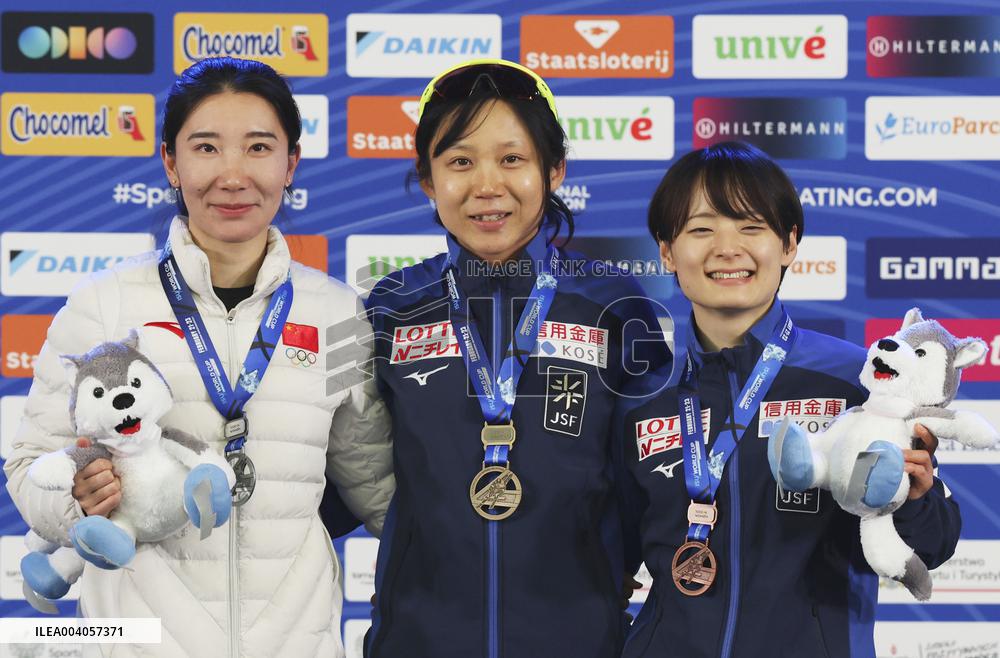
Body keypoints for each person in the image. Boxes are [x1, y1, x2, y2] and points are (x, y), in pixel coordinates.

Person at [4, 56, 394, 658]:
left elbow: (374, 483)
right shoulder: (102, 305)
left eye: (259, 148)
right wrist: (76, 499)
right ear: (170, 162)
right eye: (206, 148)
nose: (232, 175)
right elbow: (30, 466)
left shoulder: (338, 313)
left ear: (291, 164)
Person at [363, 59, 672, 658]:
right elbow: (347, 471)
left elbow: (655, 480)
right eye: (459, 161)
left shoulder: (615, 307)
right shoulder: (392, 306)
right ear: (428, 179)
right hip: (418, 640)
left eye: (512, 159)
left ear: (553, 170)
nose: (486, 186)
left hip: (579, 639)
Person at [618, 141, 961, 658]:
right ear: (667, 250)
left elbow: (934, 544)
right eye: (701, 228)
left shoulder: (861, 381)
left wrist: (916, 499)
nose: (727, 248)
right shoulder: (642, 394)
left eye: (751, 227)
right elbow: (609, 556)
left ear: (789, 245)